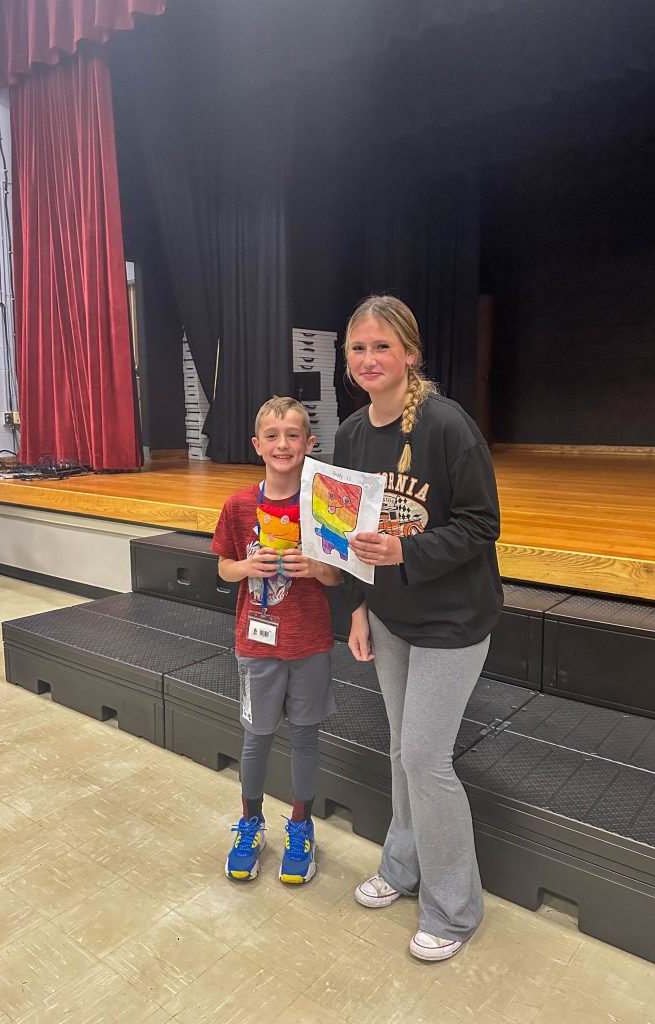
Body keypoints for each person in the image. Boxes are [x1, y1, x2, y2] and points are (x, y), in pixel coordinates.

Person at [333, 295, 503, 961]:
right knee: (403, 750)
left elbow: (482, 525)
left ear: (410, 353)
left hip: (454, 620)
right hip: (390, 617)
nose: (370, 359)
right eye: (358, 349)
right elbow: (346, 533)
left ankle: (455, 909)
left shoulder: (445, 425)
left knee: (426, 759)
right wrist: (357, 605)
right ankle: (403, 867)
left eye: (382, 347)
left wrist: (408, 551)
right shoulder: (349, 434)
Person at [211, 395, 342, 884]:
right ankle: (250, 823)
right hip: (257, 645)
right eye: (272, 436)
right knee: (256, 739)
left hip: (309, 643)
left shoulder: (322, 507)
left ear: (310, 444)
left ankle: (302, 827)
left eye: (293, 436)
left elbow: (338, 579)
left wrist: (319, 568)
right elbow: (224, 568)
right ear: (257, 445)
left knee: (305, 738)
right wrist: (247, 567)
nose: (282, 444)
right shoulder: (239, 505)